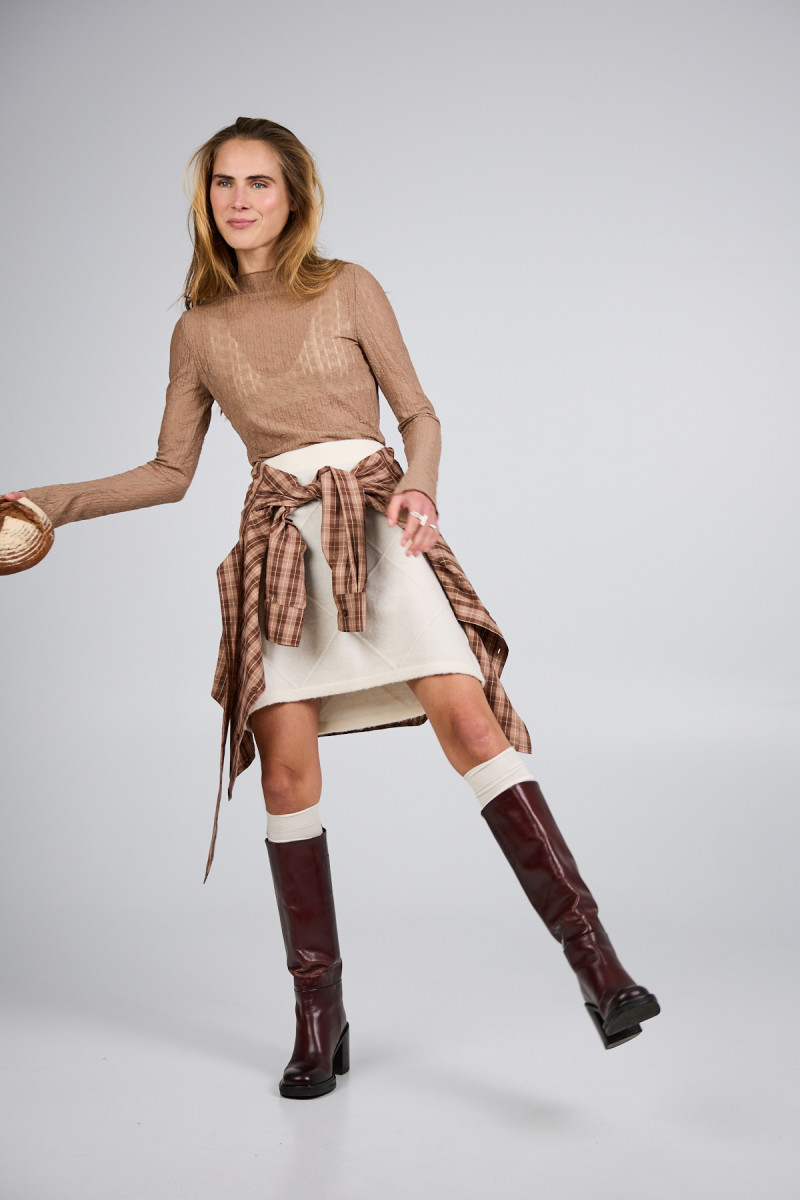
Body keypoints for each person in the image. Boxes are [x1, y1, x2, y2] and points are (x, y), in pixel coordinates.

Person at [3, 117, 660, 1100]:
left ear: (294, 196)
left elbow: (418, 413)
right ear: (205, 199)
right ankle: (320, 1013)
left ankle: (596, 965)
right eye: (223, 183)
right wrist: (48, 504)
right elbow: (171, 472)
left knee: (470, 721)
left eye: (258, 183)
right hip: (280, 543)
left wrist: (420, 485)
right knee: (285, 772)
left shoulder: (349, 286)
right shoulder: (197, 329)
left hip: (376, 522)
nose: (238, 200)